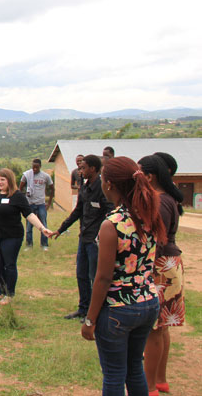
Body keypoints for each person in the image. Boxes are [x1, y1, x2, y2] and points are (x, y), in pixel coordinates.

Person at [81, 156, 166, 396]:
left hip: (118, 309)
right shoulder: (149, 214)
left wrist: (90, 320)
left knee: (114, 374)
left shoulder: (112, 224)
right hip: (148, 303)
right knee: (134, 369)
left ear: (109, 185)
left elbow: (104, 278)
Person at [139, 155, 185, 396]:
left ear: (150, 176)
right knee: (162, 327)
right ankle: (161, 381)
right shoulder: (168, 198)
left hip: (160, 266)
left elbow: (157, 240)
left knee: (154, 328)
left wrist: (143, 266)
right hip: (169, 264)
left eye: (139, 174)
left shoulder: (159, 201)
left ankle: (149, 387)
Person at [51, 155, 114, 322]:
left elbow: (110, 213)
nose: (80, 171)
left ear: (93, 169)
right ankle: (83, 308)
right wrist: (61, 229)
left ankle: (96, 312)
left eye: (83, 168)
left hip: (96, 240)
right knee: (81, 274)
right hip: (84, 238)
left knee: (95, 276)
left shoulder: (102, 188)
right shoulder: (85, 187)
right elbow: (78, 211)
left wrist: (102, 235)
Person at [0, 168, 52, 304]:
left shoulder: (17, 196)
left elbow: (29, 214)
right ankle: (1, 291)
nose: (0, 182)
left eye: (3, 179)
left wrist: (41, 228)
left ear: (9, 180)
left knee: (9, 264)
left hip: (12, 236)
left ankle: (9, 294)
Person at [19, 158, 54, 250]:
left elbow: (52, 188)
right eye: (33, 167)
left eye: (37, 168)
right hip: (30, 204)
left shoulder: (45, 176)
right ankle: (29, 245)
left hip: (41, 204)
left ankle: (44, 245)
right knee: (29, 226)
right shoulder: (27, 175)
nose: (34, 169)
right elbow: (20, 188)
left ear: (40, 167)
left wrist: (49, 203)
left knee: (43, 225)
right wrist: (23, 200)